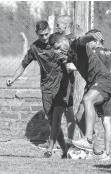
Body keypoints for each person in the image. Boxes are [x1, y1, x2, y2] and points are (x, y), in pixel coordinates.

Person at [6, 20, 74, 158]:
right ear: (37, 34)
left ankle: (50, 148)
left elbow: (71, 54)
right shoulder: (35, 48)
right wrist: (13, 78)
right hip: (46, 88)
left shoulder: (57, 41)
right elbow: (23, 65)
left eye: (46, 34)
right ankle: (65, 151)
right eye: (41, 35)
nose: (44, 37)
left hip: (61, 86)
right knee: (51, 120)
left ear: (50, 31)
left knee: (57, 118)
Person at [48, 32, 111, 156]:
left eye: (58, 48)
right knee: (79, 118)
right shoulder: (68, 53)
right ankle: (97, 149)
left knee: (88, 100)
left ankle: (88, 140)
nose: (58, 51)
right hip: (93, 83)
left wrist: (92, 36)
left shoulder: (74, 44)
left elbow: (83, 39)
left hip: (105, 80)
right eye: (55, 50)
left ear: (64, 41)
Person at [75, 29, 111, 160]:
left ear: (96, 41)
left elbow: (90, 62)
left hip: (101, 84)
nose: (87, 44)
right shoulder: (109, 51)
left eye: (89, 41)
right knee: (81, 117)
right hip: (97, 84)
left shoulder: (94, 51)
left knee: (90, 104)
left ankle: (89, 141)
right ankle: (101, 151)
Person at [55, 15, 76, 146]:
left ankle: (70, 141)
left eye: (58, 25)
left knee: (69, 113)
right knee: (54, 113)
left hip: (67, 82)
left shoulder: (73, 41)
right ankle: (54, 141)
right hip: (55, 80)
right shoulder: (58, 38)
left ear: (66, 25)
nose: (56, 27)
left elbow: (76, 62)